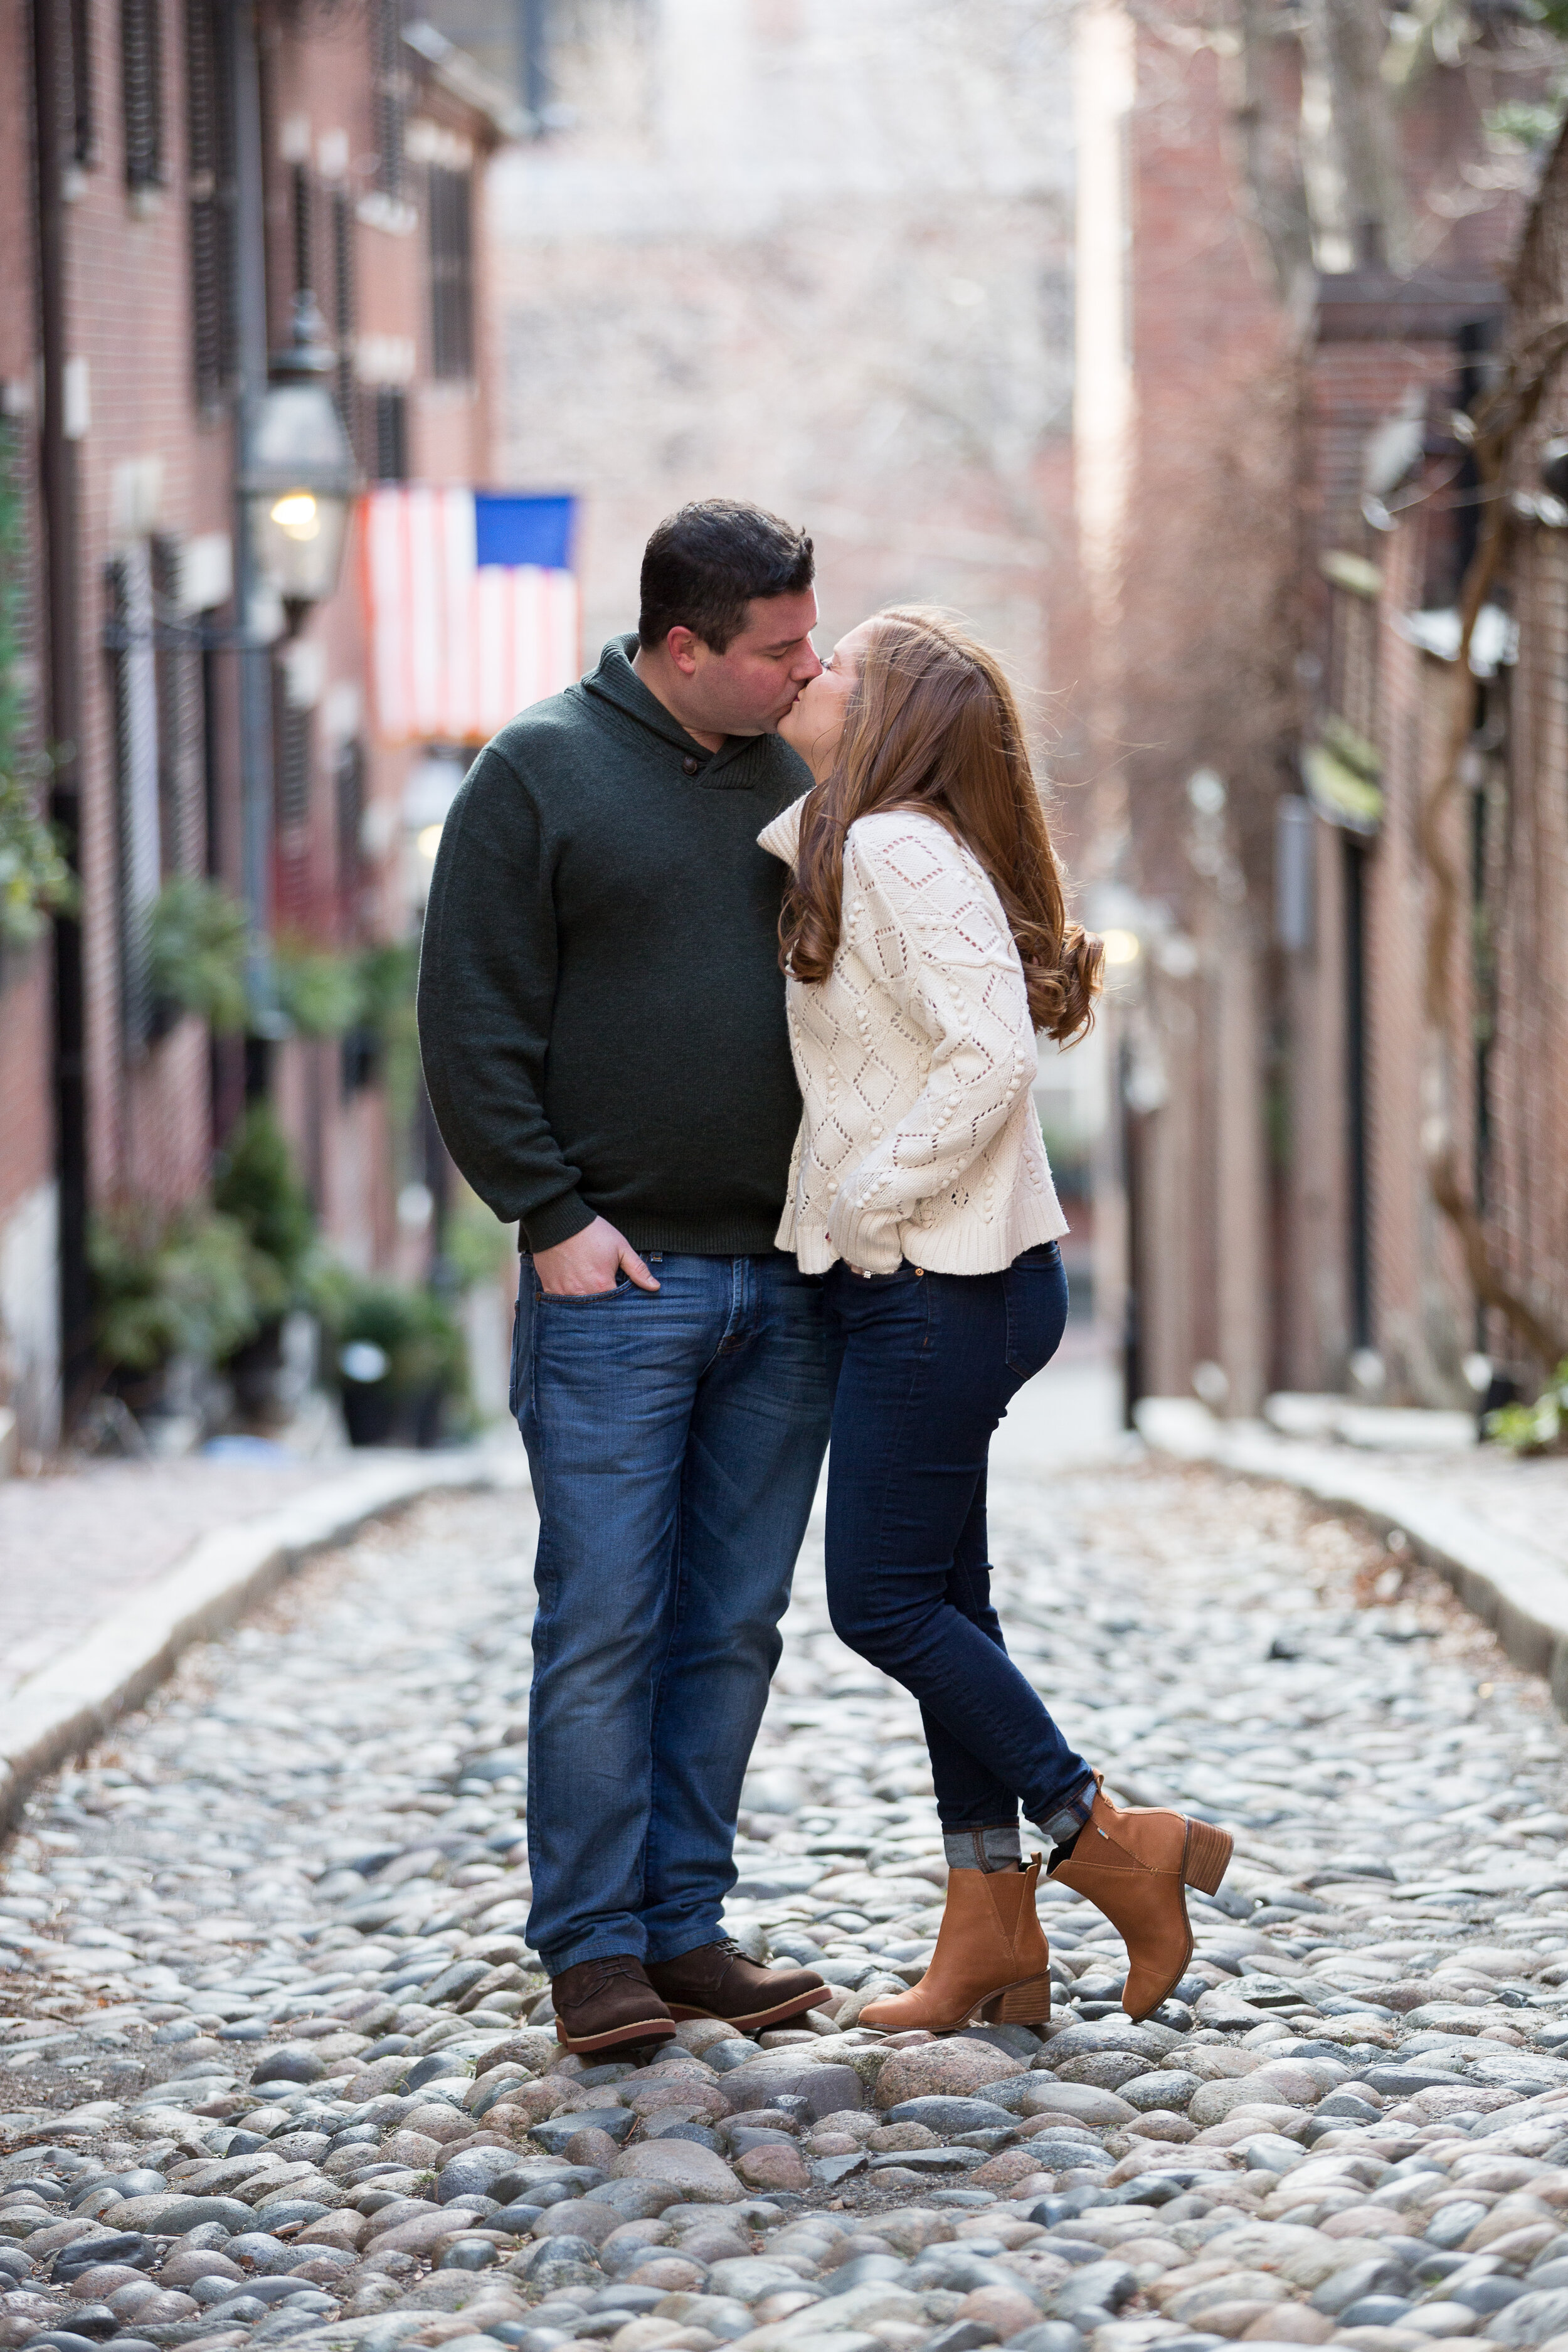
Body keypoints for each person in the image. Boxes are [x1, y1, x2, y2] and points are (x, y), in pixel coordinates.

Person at [763, 606, 1233, 2032]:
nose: (813, 671)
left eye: (839, 662)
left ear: (892, 719)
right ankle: (990, 1937)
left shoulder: (899, 849)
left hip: (930, 1280)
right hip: (940, 1278)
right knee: (943, 1600)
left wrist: (862, 1194)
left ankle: (1107, 1837)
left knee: (883, 1601)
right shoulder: (879, 841)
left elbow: (988, 1054)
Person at [417, 501, 839, 2058]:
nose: (807, 666)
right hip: (617, 1284)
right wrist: (547, 1215)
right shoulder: (533, 774)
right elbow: (468, 1020)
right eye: (776, 648)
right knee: (602, 1617)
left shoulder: (798, 776)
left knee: (730, 1624)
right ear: (682, 648)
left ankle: (681, 1927)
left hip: (783, 1287)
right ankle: (591, 1952)